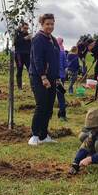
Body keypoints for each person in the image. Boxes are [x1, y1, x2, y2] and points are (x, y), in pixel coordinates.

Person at [28, 13, 60, 146]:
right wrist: (43, 76)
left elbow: (55, 59)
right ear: (42, 24)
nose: (50, 26)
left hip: (52, 78)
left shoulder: (52, 39)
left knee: (48, 107)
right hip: (39, 77)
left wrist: (57, 77)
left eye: (52, 24)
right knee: (41, 105)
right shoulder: (38, 39)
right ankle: (34, 136)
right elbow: (37, 60)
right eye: (47, 24)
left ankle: (43, 135)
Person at [15, 22, 32, 90]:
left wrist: (31, 39)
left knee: (30, 70)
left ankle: (33, 86)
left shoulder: (28, 34)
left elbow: (30, 45)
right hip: (19, 55)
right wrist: (24, 39)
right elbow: (15, 42)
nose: (26, 30)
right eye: (25, 28)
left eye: (27, 28)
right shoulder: (17, 33)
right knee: (19, 70)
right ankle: (19, 87)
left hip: (27, 55)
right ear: (21, 27)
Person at [56, 37, 68, 121]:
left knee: (50, 95)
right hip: (61, 76)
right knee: (61, 95)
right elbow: (65, 65)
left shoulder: (53, 51)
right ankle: (62, 114)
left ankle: (48, 114)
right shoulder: (63, 52)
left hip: (53, 76)